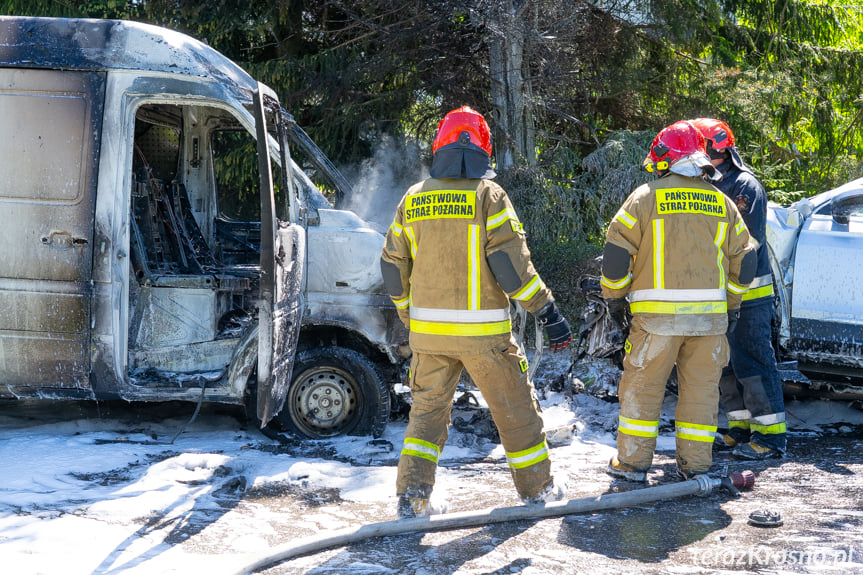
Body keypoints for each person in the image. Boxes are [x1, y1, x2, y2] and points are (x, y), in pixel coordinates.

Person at [380, 105, 572, 518]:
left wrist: (408, 314)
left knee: (426, 417)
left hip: (429, 337)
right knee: (514, 410)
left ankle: (412, 498)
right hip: (484, 336)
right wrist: (547, 312)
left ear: (440, 145)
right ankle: (537, 491)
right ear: (483, 148)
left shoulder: (414, 198)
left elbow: (392, 266)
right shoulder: (489, 196)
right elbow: (511, 266)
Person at [601, 120, 756, 481]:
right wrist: (732, 305)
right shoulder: (722, 203)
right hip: (709, 323)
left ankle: (632, 465)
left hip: (656, 322)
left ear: (665, 160)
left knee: (643, 389)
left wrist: (615, 298)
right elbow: (746, 259)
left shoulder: (645, 198)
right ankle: (696, 467)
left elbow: (615, 255)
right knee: (701, 396)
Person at [690, 118, 787, 460]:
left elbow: (747, 245)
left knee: (754, 363)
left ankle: (771, 437)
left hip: (748, 294)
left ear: (714, 147)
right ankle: (739, 428)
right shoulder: (705, 183)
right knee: (725, 365)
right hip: (717, 293)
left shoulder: (744, 186)